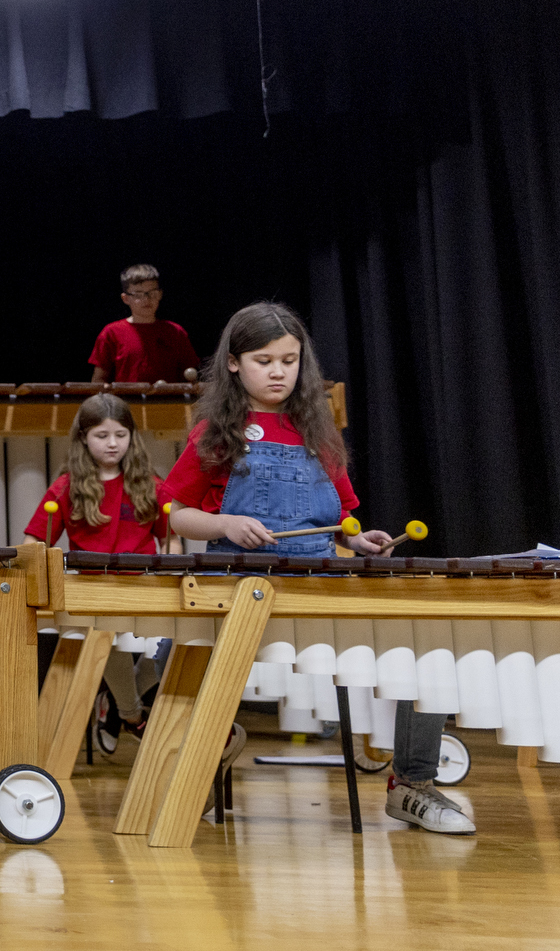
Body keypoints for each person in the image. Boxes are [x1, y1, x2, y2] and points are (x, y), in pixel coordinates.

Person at [165, 302, 470, 835]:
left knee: (428, 644)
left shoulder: (315, 428)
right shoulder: (219, 429)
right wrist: (226, 524)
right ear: (234, 364)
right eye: (264, 360)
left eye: (289, 359)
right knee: (187, 661)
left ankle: (412, 786)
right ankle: (202, 750)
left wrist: (362, 537)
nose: (279, 371)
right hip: (245, 585)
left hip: (320, 577)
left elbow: (343, 516)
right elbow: (176, 511)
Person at [23, 393, 168, 739]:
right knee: (105, 635)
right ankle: (131, 715)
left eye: (120, 434)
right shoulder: (67, 487)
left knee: (175, 647)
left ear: (132, 436)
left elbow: (170, 539)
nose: (113, 444)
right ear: (84, 438)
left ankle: (116, 700)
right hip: (94, 592)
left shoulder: (149, 483)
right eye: (101, 436)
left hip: (144, 588)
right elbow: (34, 542)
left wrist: (169, 573)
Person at [89, 264, 202, 385]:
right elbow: (99, 381)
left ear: (160, 294)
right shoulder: (111, 333)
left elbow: (191, 378)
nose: (146, 300)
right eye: (138, 294)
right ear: (125, 298)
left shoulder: (176, 332)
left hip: (168, 403)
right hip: (126, 402)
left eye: (152, 293)